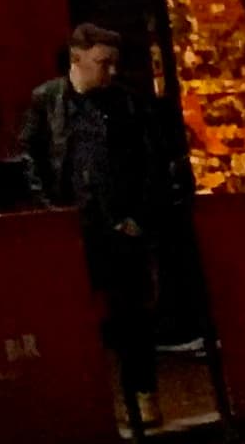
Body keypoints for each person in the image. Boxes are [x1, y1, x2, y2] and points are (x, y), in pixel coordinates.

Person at [22, 21, 169, 421]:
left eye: (114, 63)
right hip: (73, 225)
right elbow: (29, 156)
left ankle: (141, 396)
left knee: (131, 316)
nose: (111, 71)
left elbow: (149, 161)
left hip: (119, 223)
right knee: (73, 319)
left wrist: (138, 216)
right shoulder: (48, 100)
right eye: (103, 62)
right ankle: (84, 403)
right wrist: (49, 210)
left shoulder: (125, 103)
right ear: (77, 58)